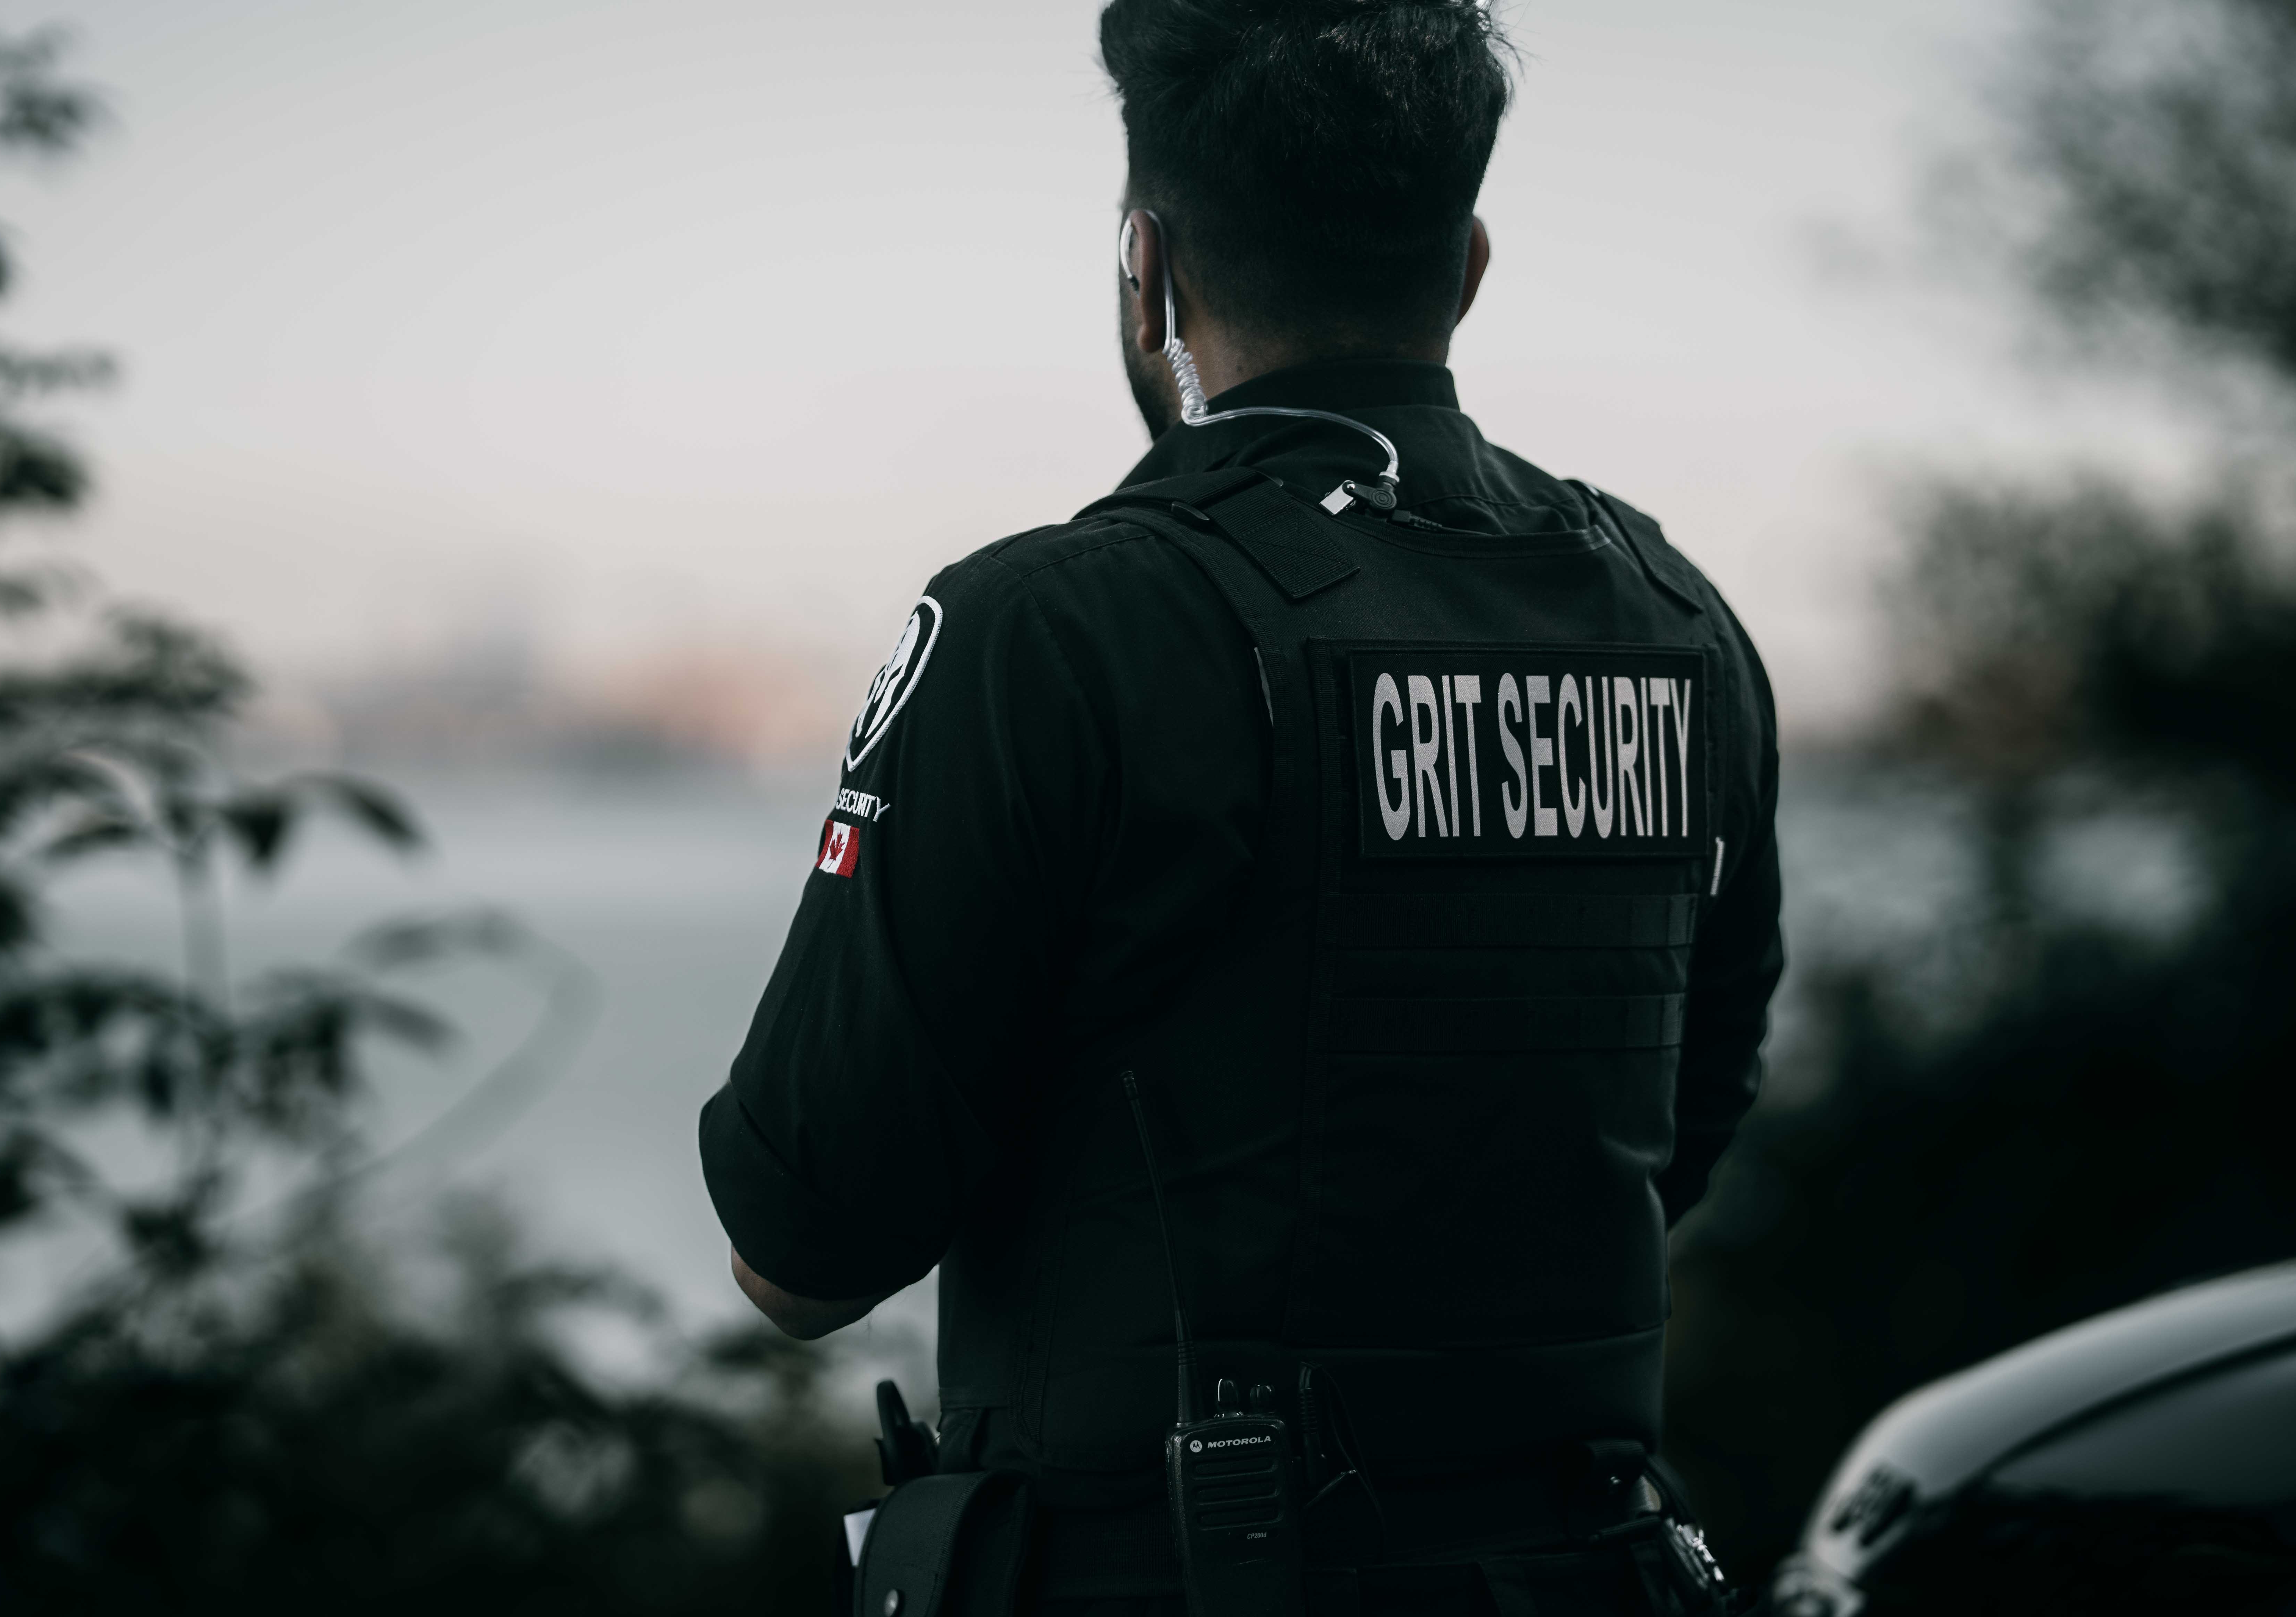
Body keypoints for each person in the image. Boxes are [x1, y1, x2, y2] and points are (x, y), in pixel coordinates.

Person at [700, 1, 1783, 1611]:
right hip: (1588, 1571)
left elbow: (801, 1248)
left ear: (1147, 264)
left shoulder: (1054, 630)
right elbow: (1670, 1139)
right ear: (1467, 263)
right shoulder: (1674, 618)